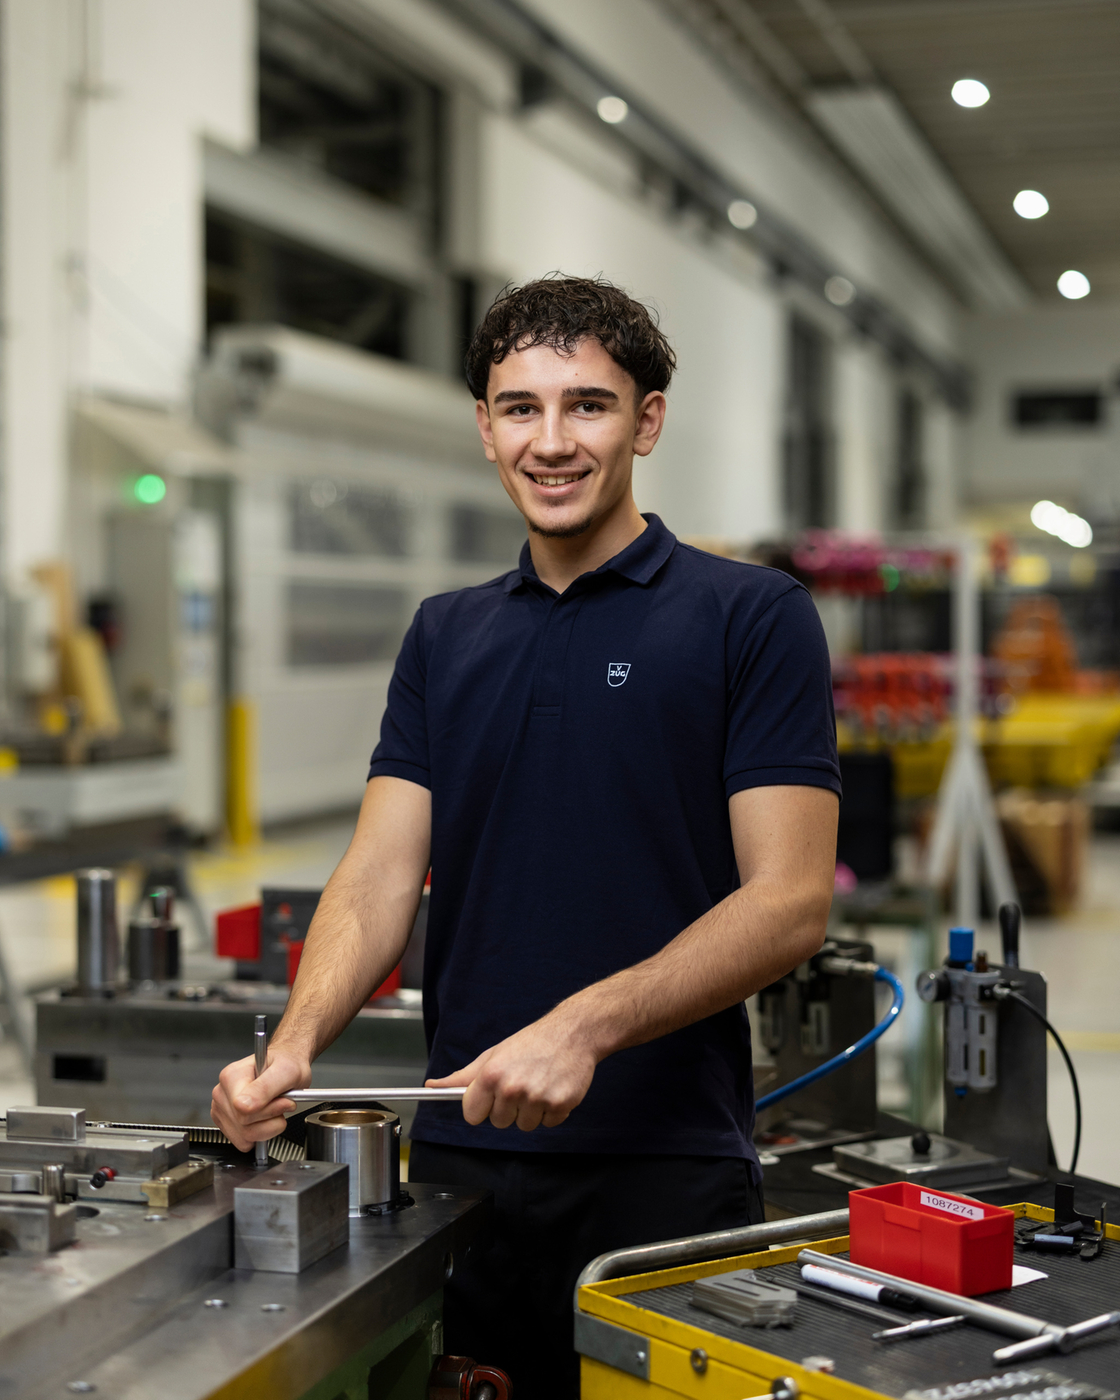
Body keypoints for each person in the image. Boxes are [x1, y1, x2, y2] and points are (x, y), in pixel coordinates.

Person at [211, 275, 840, 1398]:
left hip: (662, 1169)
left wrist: (584, 1025)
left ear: (647, 420)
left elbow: (790, 899)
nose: (550, 441)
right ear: (485, 427)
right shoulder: (445, 633)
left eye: (587, 406)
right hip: (461, 1169)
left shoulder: (750, 615)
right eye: (519, 408)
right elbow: (379, 870)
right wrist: (295, 1042)